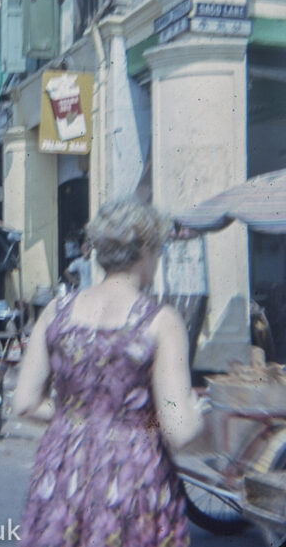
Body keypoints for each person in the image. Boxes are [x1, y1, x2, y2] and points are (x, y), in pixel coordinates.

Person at [14, 197, 205, 547]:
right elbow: (178, 428)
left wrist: (82, 420)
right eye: (157, 250)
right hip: (131, 476)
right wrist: (194, 414)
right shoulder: (160, 321)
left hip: (62, 470)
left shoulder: (57, 311)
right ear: (144, 250)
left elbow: (25, 402)